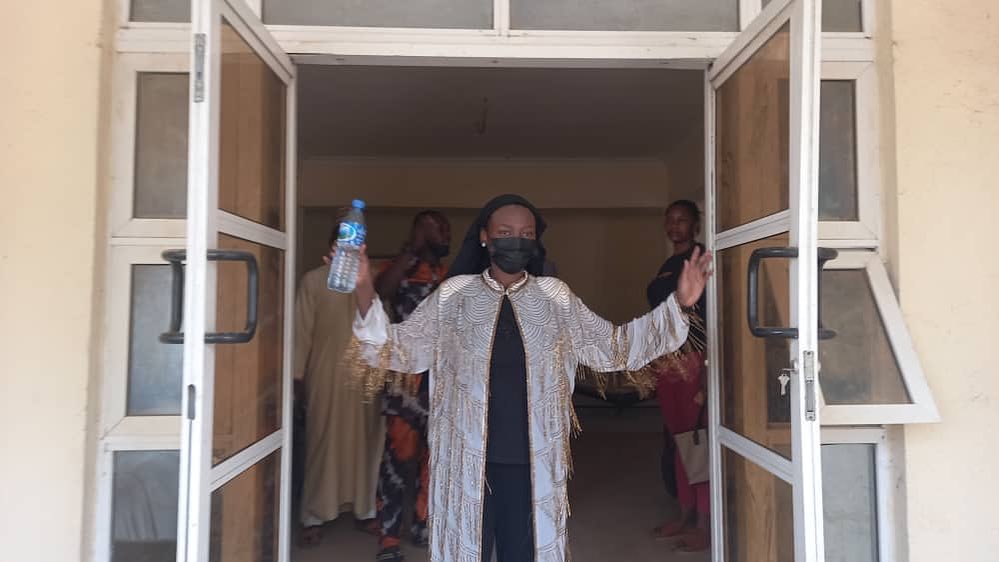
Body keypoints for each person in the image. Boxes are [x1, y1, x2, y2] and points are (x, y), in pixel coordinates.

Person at [344, 194, 712, 562]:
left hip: (533, 462)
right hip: (464, 461)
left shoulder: (555, 298)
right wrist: (363, 286)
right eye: (505, 232)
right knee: (463, 550)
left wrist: (679, 304)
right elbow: (399, 348)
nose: (516, 240)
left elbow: (614, 347)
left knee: (526, 552)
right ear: (485, 236)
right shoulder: (454, 296)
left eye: (526, 233)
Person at [296, 225, 385, 546]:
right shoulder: (313, 280)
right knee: (323, 443)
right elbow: (301, 331)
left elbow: (380, 328)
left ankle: (365, 511)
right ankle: (313, 516)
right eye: (343, 243)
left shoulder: (367, 279)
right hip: (325, 376)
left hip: (365, 375)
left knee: (366, 445)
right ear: (332, 245)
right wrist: (297, 378)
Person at [372, 210, 451, 561]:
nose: (446, 234)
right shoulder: (400, 268)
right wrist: (411, 249)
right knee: (398, 459)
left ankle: (423, 524)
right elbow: (381, 291)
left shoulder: (449, 275)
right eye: (437, 228)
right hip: (405, 380)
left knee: (434, 458)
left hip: (442, 380)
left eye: (446, 229)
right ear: (419, 231)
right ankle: (389, 537)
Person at [647, 200, 710, 553]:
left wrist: (707, 375)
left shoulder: (700, 261)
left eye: (682, 220)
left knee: (696, 442)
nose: (674, 226)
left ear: (695, 225)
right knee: (677, 441)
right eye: (670, 220)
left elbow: (711, 317)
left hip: (693, 362)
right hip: (668, 361)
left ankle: (704, 524)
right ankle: (684, 515)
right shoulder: (668, 265)